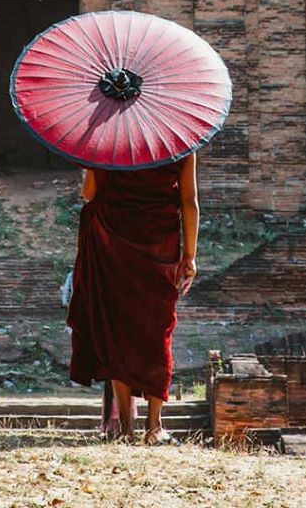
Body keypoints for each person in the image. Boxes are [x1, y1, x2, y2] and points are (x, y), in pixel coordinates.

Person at [67, 151, 199, 444]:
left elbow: (89, 194)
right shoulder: (180, 141)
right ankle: (154, 427)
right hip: (159, 245)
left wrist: (94, 163)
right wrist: (189, 256)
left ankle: (126, 429)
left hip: (113, 242)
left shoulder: (111, 140)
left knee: (118, 331)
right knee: (157, 331)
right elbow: (188, 201)